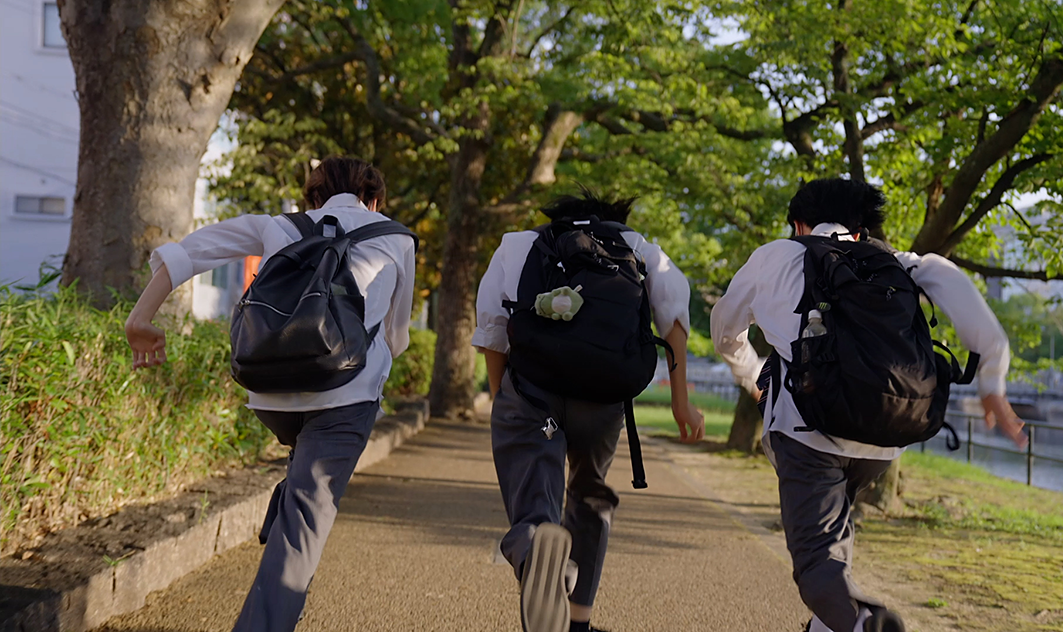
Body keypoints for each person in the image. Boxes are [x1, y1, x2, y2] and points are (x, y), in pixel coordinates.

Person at [710, 178, 1028, 632]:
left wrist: (751, 375)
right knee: (837, 539)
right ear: (860, 229)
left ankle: (865, 623)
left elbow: (724, 328)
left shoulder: (776, 255)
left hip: (807, 434)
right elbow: (953, 284)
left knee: (816, 564)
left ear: (799, 224)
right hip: (885, 436)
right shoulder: (897, 263)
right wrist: (992, 381)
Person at [125, 156, 416, 632]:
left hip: (270, 393)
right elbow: (396, 337)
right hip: (347, 394)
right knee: (305, 523)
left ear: (313, 197)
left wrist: (139, 319)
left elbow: (192, 251)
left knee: (302, 479)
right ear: (375, 198)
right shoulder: (397, 236)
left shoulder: (279, 224)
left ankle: (292, 497)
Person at [473, 191, 705, 632]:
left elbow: (492, 329)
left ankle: (535, 547)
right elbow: (674, 321)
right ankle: (578, 619)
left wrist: (503, 395)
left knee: (533, 490)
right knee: (589, 490)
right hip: (602, 396)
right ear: (614, 220)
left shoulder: (519, 245)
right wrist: (680, 403)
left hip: (533, 389)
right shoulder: (640, 248)